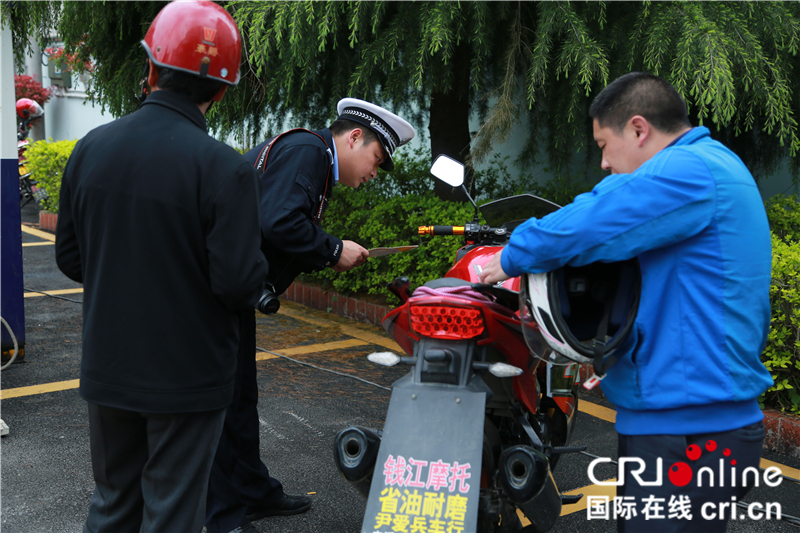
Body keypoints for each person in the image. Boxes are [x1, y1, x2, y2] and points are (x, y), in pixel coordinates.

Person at [479, 72, 773, 532]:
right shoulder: (713, 168)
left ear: (639, 129)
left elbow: (598, 218)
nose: (602, 162)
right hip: (700, 421)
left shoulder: (690, 171)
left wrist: (514, 254)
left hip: (683, 430)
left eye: (602, 144)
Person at [55, 2, 268, 532]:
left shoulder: (90, 149)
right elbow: (239, 283)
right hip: (189, 377)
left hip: (109, 365)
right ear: (221, 91)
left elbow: (69, 257)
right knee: (173, 513)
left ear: (150, 68)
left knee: (112, 504)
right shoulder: (224, 169)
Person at [205, 98, 415, 533]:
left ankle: (253, 492)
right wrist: (334, 249)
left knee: (241, 398)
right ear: (354, 137)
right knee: (222, 404)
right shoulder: (310, 152)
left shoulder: (311, 154)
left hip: (233, 293)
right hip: (213, 295)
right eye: (376, 160)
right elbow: (278, 220)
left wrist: (329, 249)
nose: (373, 173)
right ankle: (225, 514)